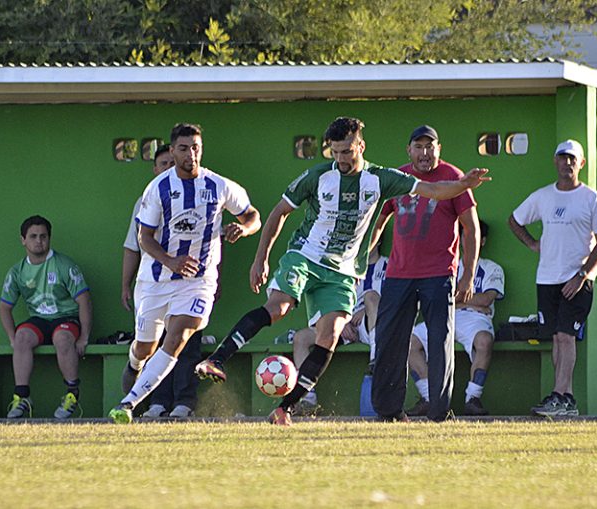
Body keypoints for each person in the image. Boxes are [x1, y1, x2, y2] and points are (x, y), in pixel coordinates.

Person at [195, 117, 489, 426]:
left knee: (330, 335)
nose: (341, 160)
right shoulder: (318, 176)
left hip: (344, 271)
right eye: (335, 152)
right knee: (279, 308)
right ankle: (217, 359)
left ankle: (286, 408)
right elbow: (279, 213)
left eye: (347, 151)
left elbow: (433, 190)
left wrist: (463, 184)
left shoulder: (382, 178)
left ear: (361, 146)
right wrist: (261, 259)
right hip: (306, 256)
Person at [108, 123, 261, 424]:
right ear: (172, 150)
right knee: (144, 348)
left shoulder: (219, 185)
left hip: (198, 281)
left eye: (196, 147)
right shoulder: (158, 189)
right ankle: (135, 364)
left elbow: (253, 215)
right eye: (183, 148)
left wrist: (243, 229)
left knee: (179, 334)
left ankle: (128, 403)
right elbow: (144, 238)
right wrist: (171, 261)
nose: (191, 154)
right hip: (155, 280)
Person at [371, 124, 481, 422]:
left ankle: (438, 413)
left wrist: (468, 274)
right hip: (398, 274)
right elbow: (377, 221)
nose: (424, 153)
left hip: (438, 274)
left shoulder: (452, 177)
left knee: (439, 341)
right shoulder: (398, 177)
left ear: (439, 149)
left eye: (430, 146)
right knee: (389, 340)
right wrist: (362, 255)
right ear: (409, 150)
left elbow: (471, 228)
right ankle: (389, 411)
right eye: (418, 147)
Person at [508, 139, 597, 417]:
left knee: (566, 337)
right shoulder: (543, 196)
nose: (567, 163)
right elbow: (515, 220)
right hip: (547, 278)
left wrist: (581, 275)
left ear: (581, 163)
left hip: (578, 280)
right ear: (555, 161)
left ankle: (559, 396)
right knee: (556, 337)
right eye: (562, 158)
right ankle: (565, 398)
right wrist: (532, 243)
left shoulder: (592, 198)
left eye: (572, 159)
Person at [120, 143, 203, 419]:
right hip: (154, 285)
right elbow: (134, 246)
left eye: (173, 162)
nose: (169, 167)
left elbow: (215, 241)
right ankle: (156, 402)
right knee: (152, 345)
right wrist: (125, 284)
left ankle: (184, 403)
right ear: (155, 169)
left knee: (185, 342)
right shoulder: (147, 199)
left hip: (190, 283)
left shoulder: (202, 193)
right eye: (163, 164)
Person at [406, 220, 504, 416]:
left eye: (471, 238)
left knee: (484, 341)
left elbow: (486, 299)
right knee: (409, 341)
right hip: (445, 314)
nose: (465, 242)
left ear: (481, 241)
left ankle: (473, 398)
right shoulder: (445, 265)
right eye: (463, 237)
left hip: (475, 320)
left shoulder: (492, 268)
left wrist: (459, 300)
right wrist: (468, 301)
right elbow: (436, 297)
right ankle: (428, 397)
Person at [0, 215, 92, 419]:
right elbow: (4, 307)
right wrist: (11, 338)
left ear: (49, 238)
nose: (39, 240)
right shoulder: (17, 271)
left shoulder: (64, 265)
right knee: (22, 337)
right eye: (33, 236)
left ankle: (72, 395)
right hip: (39, 321)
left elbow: (83, 300)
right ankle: (22, 397)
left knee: (62, 338)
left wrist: (84, 337)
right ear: (23, 240)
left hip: (66, 318)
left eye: (43, 236)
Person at [291, 238, 388, 415]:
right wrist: (342, 320)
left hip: (373, 325)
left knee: (371, 297)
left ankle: (376, 358)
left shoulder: (389, 266)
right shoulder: (347, 268)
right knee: (301, 338)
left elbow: (395, 301)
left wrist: (366, 310)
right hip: (346, 325)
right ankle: (307, 400)